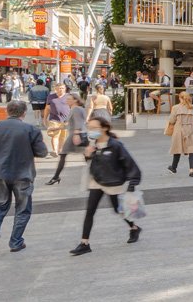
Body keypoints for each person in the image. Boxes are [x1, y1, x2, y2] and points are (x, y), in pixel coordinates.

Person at [0, 101, 48, 254]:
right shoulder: (31, 129)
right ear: (24, 113)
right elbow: (42, 152)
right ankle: (16, 242)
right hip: (23, 174)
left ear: (7, 111)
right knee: (23, 209)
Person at [69, 115, 142, 255]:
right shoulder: (92, 143)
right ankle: (84, 243)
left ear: (105, 128)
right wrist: (88, 155)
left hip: (113, 182)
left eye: (94, 128)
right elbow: (90, 162)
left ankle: (134, 228)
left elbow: (130, 164)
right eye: (89, 128)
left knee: (118, 209)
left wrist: (133, 183)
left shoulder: (115, 145)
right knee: (90, 210)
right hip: (96, 181)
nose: (91, 131)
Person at [46, 93, 88, 185]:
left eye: (69, 99)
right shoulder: (77, 109)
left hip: (76, 135)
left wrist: (76, 134)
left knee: (64, 155)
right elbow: (70, 124)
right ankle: (56, 177)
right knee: (87, 156)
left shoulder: (76, 109)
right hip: (79, 134)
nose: (67, 101)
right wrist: (55, 128)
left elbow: (78, 123)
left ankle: (56, 177)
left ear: (75, 100)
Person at [166, 91, 193, 177]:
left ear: (180, 98)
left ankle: (173, 168)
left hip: (179, 130)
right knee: (191, 150)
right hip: (191, 130)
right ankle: (191, 171)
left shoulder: (175, 108)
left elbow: (171, 121)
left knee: (177, 148)